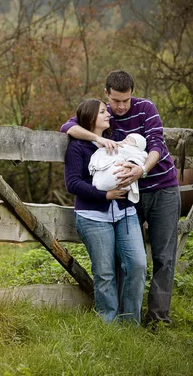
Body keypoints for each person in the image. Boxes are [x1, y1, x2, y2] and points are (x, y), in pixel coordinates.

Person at [61, 70, 180, 328]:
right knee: (122, 259)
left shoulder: (146, 108)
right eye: (116, 101)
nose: (121, 106)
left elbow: (157, 143)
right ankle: (119, 321)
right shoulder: (103, 114)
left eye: (126, 100)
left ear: (132, 94)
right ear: (107, 95)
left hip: (160, 187)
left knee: (163, 257)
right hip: (127, 196)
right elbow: (68, 126)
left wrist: (142, 169)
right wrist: (97, 139)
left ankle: (158, 318)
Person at [64, 98, 147, 324]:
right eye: (103, 112)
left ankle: (130, 324)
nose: (108, 114)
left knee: (137, 265)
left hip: (125, 212)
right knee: (104, 273)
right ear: (91, 118)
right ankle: (108, 324)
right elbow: (72, 183)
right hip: (93, 216)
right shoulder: (77, 147)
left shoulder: (115, 141)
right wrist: (105, 195)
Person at [89, 133, 147, 203]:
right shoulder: (116, 144)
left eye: (131, 140)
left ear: (138, 146)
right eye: (126, 138)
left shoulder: (136, 151)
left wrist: (131, 163)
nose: (126, 140)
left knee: (118, 173)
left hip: (119, 168)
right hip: (109, 165)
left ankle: (106, 184)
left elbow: (139, 157)